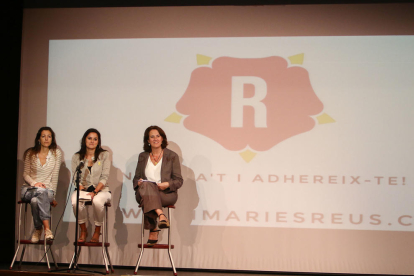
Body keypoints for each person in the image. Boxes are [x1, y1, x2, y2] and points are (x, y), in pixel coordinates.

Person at [133, 125, 183, 246]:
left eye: (158, 136)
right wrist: (139, 182)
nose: (155, 139)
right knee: (147, 186)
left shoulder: (172, 156)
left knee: (148, 195)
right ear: (148, 140)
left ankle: (153, 229)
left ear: (162, 138)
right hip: (145, 191)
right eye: (152, 136)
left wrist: (167, 184)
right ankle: (161, 215)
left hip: (166, 194)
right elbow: (136, 178)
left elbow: (178, 181)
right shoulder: (143, 156)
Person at [22, 126, 62, 243]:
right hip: (29, 189)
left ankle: (38, 228)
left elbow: (55, 176)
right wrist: (35, 183)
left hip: (47, 191)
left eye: (49, 136)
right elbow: (25, 174)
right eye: (43, 136)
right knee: (40, 191)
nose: (46, 139)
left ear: (52, 139)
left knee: (36, 201)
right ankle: (47, 229)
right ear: (39, 138)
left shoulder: (56, 153)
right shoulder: (30, 153)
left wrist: (53, 197)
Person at [71, 128, 111, 243]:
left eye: (95, 139)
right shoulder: (77, 157)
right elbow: (75, 177)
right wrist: (78, 185)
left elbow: (104, 176)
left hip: (102, 190)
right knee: (75, 201)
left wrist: (95, 191)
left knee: (97, 201)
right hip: (84, 189)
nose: (92, 141)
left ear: (98, 141)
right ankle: (83, 230)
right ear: (84, 140)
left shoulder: (104, 155)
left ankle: (97, 230)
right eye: (89, 138)